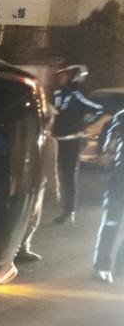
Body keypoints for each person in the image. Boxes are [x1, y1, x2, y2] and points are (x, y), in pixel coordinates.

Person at [51, 65, 103, 224]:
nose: (61, 77)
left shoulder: (78, 93)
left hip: (71, 140)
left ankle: (68, 210)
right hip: (55, 139)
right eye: (60, 74)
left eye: (65, 74)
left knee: (68, 177)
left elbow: (98, 109)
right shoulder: (57, 91)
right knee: (50, 175)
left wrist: (83, 125)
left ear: (74, 76)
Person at [18, 103, 59, 261]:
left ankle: (12, 249)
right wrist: (55, 188)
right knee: (31, 219)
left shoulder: (20, 137)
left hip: (18, 182)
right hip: (36, 185)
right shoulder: (48, 142)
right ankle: (21, 249)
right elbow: (50, 167)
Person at [93, 110, 124, 283]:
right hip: (121, 177)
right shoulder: (122, 116)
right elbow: (110, 129)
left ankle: (121, 264)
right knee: (111, 221)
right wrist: (105, 151)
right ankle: (102, 266)